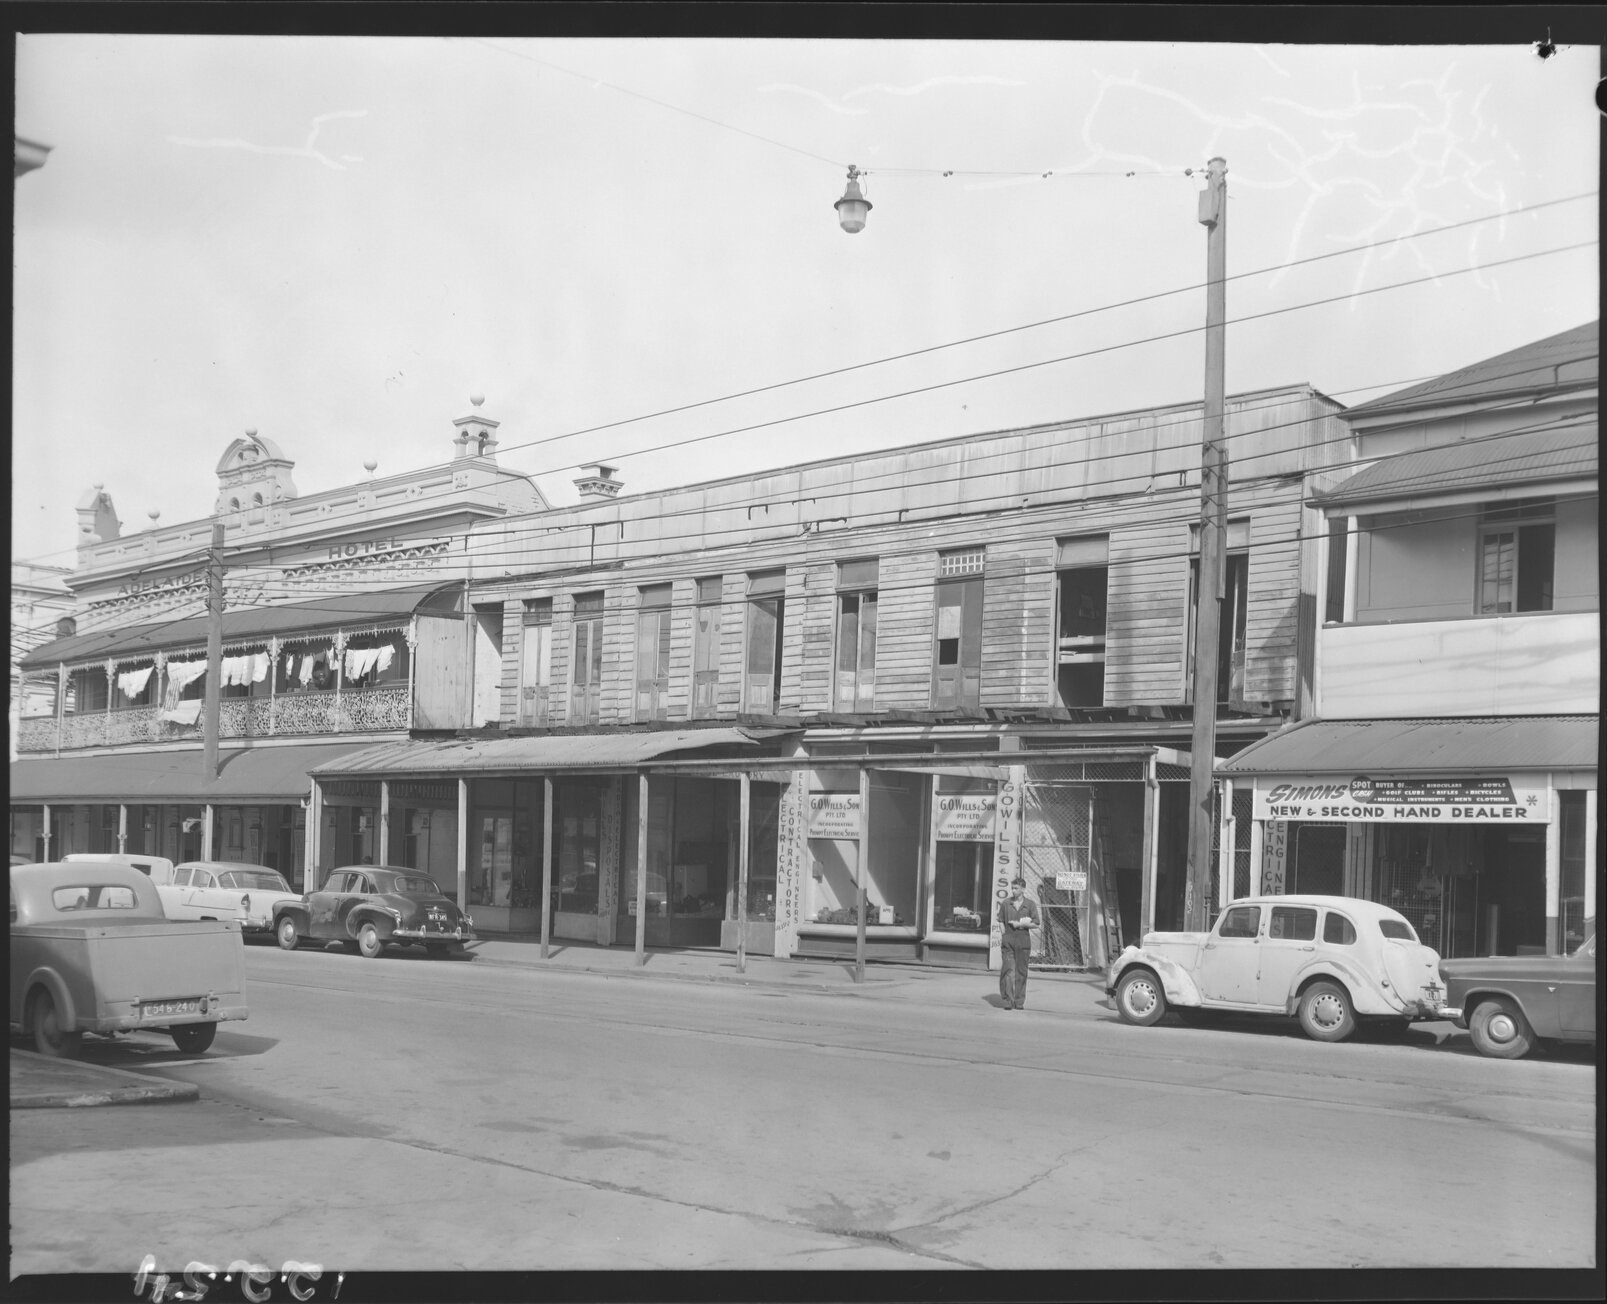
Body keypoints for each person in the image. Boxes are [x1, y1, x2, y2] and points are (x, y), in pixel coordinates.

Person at [997, 876, 1040, 1010]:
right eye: (1012, 888)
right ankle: (1008, 1000)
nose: (1013, 891)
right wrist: (1004, 934)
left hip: (1023, 940)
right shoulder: (1006, 903)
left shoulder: (1030, 904)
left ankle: (1019, 1001)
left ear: (1023, 889)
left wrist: (1020, 924)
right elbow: (1000, 920)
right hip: (1009, 939)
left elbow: (1036, 924)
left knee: (1021, 971)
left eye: (1016, 888)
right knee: (1008, 970)